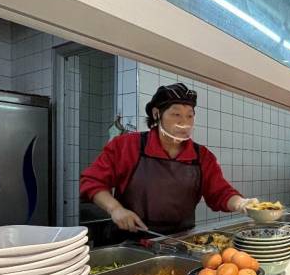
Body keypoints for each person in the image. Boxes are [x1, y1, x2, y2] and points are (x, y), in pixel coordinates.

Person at [80, 83, 255, 237]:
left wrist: (241, 203)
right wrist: (115, 209)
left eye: (189, 116)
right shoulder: (127, 145)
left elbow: (220, 192)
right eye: (176, 114)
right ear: (157, 114)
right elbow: (92, 182)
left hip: (180, 241)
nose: (184, 122)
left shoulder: (202, 156)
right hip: (129, 240)